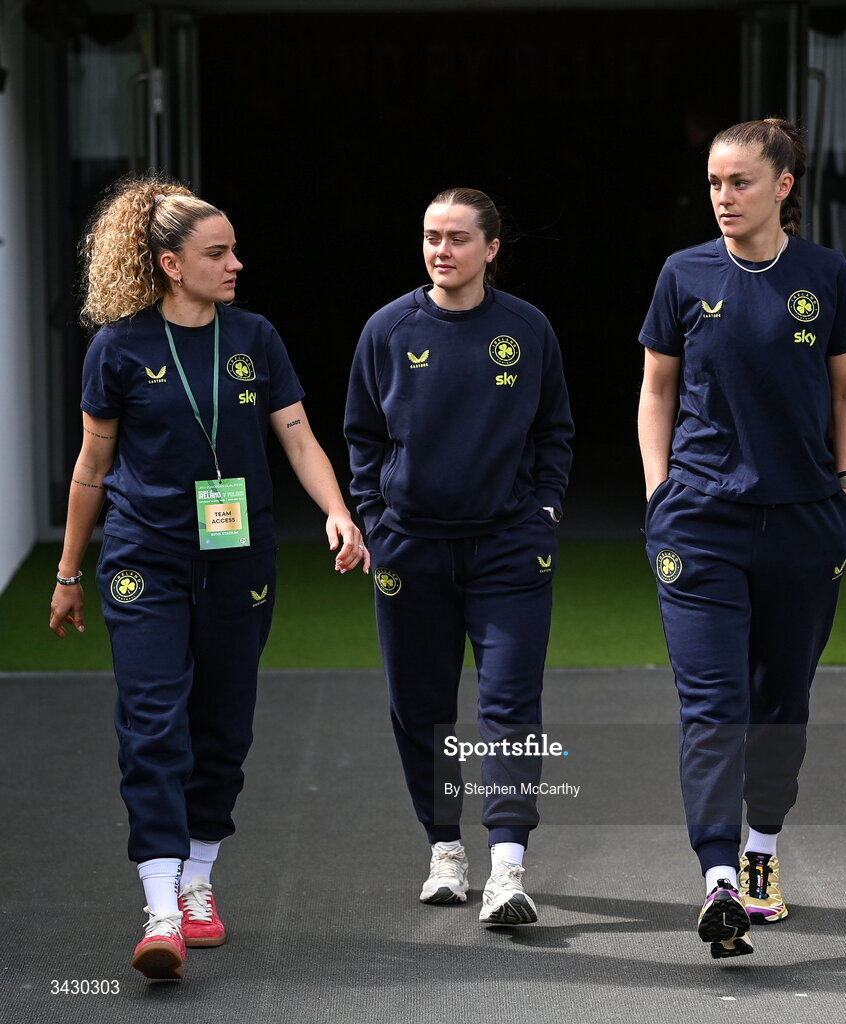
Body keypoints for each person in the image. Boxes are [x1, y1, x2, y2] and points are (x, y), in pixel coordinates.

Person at [48, 176, 367, 980]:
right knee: (154, 726)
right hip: (142, 559)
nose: (235, 265)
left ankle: (199, 880)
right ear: (168, 263)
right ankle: (160, 905)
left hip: (239, 559)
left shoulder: (255, 336)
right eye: (216, 253)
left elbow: (296, 436)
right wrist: (66, 571)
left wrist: (337, 510)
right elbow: (92, 466)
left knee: (222, 727)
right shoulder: (117, 347)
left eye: (231, 251)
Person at [637, 119, 846, 959]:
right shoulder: (684, 273)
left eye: (739, 182)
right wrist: (661, 490)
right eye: (712, 183)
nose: (723, 198)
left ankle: (762, 850)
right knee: (712, 702)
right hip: (700, 522)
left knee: (781, 699)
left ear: (782, 186)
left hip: (806, 519)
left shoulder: (826, 275)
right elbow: (656, 388)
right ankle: (718, 876)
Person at [344, 187, 573, 925]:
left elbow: (554, 433)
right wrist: (376, 520)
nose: (441, 250)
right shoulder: (387, 329)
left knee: (510, 705)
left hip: (508, 548)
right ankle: (445, 847)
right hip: (410, 550)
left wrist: (542, 512)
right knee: (423, 710)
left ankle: (508, 866)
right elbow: (363, 439)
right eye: (431, 237)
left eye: (457, 238)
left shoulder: (527, 329)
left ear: (492, 249)